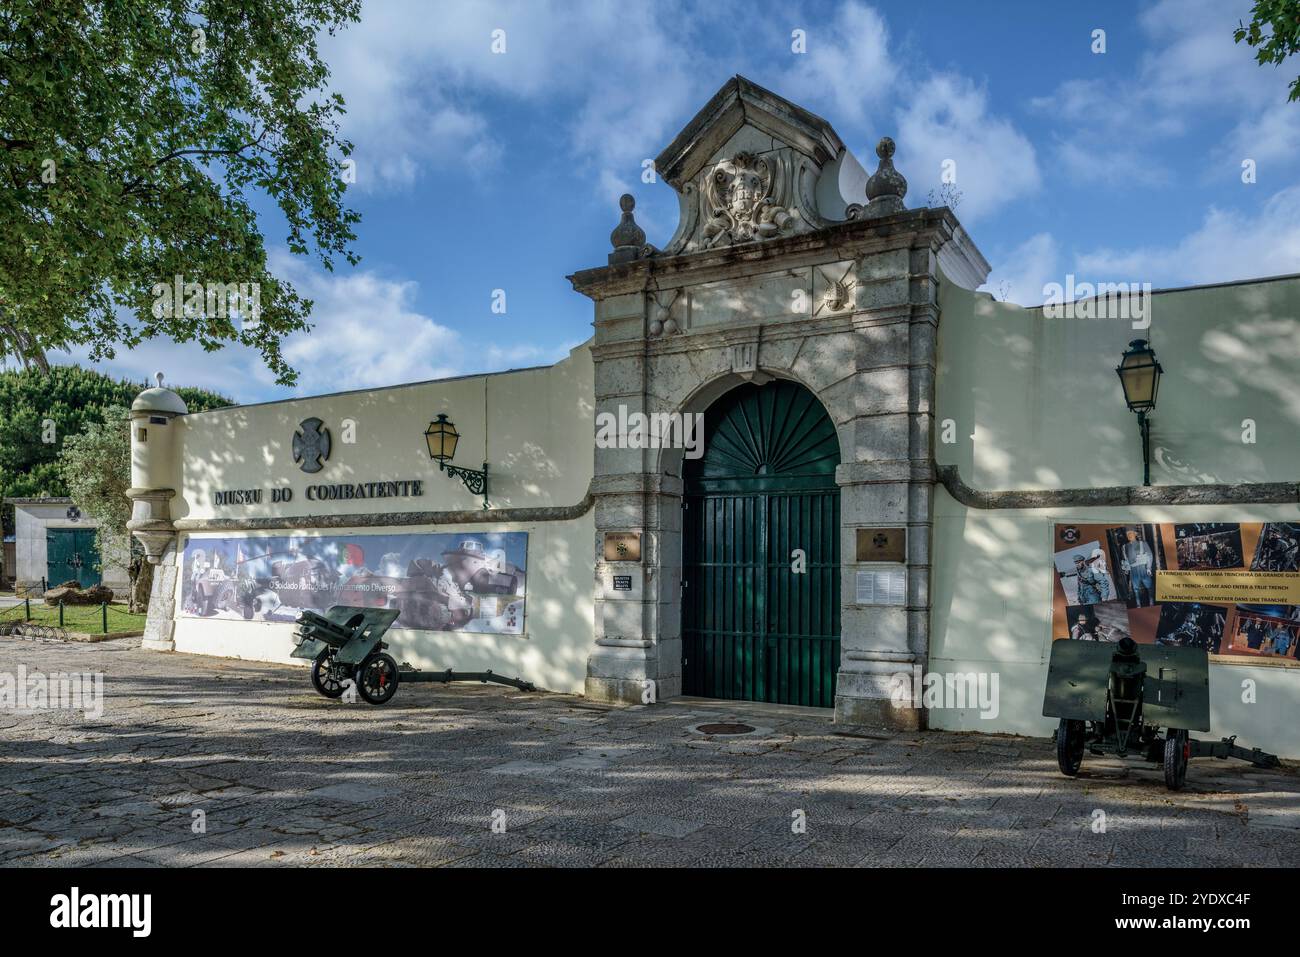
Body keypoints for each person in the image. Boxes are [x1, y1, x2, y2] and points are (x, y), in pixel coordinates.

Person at [1119, 527, 1155, 606]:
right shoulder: (1125, 547)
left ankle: (1151, 603)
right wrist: (1126, 567)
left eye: (1130, 533)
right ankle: (1138, 605)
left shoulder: (1143, 543)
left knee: (1149, 586)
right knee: (1135, 589)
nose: (1129, 535)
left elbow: (1150, 555)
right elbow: (1125, 559)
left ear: (1135, 533)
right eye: (1127, 534)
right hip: (1133, 570)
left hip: (1144, 568)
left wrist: (1149, 568)